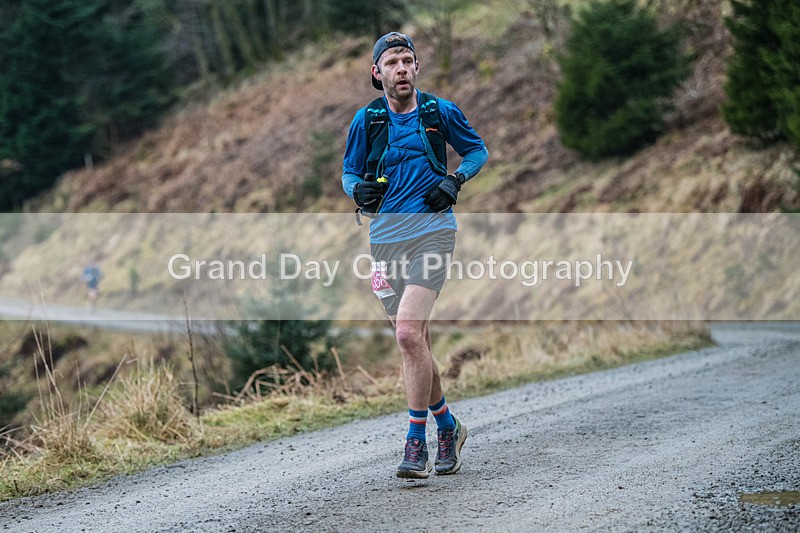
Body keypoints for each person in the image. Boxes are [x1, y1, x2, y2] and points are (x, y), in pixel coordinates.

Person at [342, 32, 488, 478]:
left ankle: (415, 442)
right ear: (377, 72)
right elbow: (349, 173)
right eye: (392, 62)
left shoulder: (438, 111)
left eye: (408, 60)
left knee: (407, 334)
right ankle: (449, 426)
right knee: (417, 344)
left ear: (417, 68)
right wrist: (357, 189)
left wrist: (455, 180)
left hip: (433, 234)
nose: (401, 68)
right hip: (384, 242)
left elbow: (477, 150)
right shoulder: (366, 121)